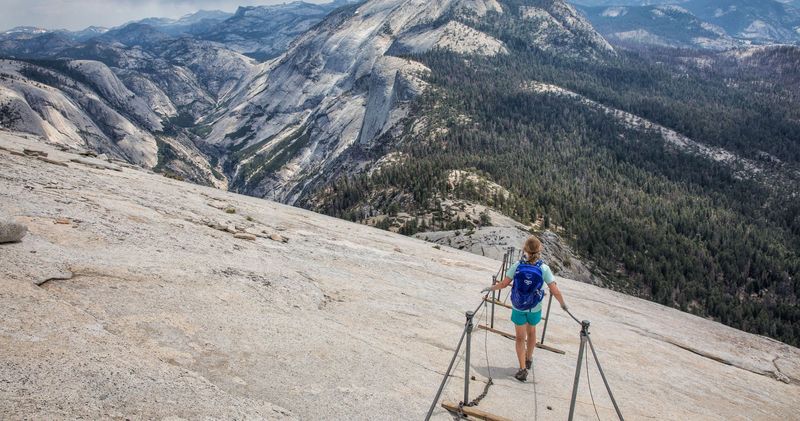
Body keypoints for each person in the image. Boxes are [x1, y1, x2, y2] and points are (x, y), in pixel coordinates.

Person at [481, 236, 567, 382]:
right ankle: (529, 358)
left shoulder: (517, 265)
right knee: (532, 331)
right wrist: (563, 304)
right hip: (535, 307)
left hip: (518, 306)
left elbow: (503, 284)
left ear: (525, 249)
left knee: (520, 337)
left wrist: (490, 288)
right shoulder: (544, 268)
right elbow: (555, 290)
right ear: (540, 250)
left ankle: (522, 369)